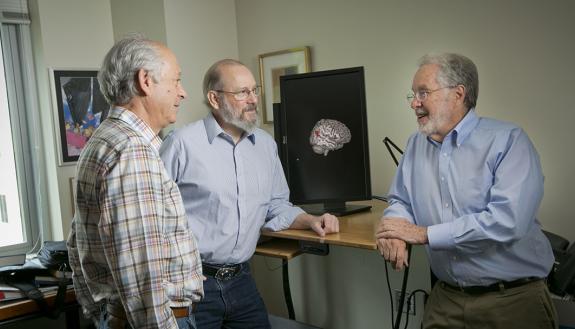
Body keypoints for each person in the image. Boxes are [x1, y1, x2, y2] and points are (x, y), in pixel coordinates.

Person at [375, 53, 558, 329]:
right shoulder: (415, 145)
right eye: (413, 94)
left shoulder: (509, 141)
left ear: (458, 93)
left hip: (512, 300)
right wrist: (394, 230)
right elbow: (401, 200)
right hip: (445, 299)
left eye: (423, 92)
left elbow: (507, 222)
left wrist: (423, 234)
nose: (415, 103)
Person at [159, 59, 339, 329]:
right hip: (195, 284)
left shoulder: (265, 145)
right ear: (215, 98)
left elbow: (277, 205)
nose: (253, 99)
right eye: (242, 92)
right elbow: (154, 216)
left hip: (241, 281)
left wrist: (310, 220)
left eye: (255, 90)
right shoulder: (181, 144)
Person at [67, 35, 203, 329]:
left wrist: (97, 310)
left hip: (119, 317)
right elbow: (142, 271)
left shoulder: (102, 140)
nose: (183, 93)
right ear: (145, 81)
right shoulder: (132, 150)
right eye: (176, 80)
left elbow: (76, 240)